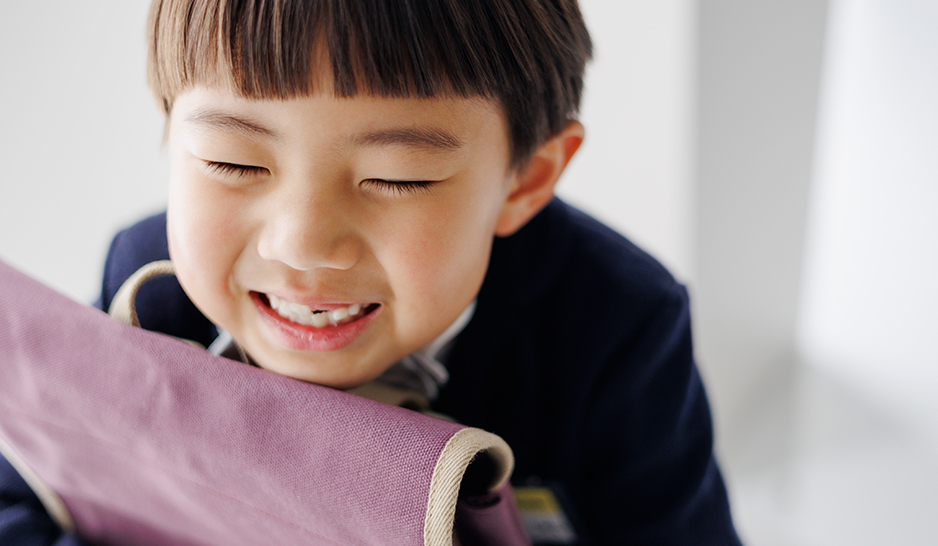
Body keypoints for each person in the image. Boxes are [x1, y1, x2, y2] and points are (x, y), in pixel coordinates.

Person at [0, 0, 742, 544]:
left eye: (398, 177)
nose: (303, 245)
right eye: (233, 161)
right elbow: (32, 486)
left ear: (524, 181)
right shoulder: (149, 286)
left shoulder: (615, 324)